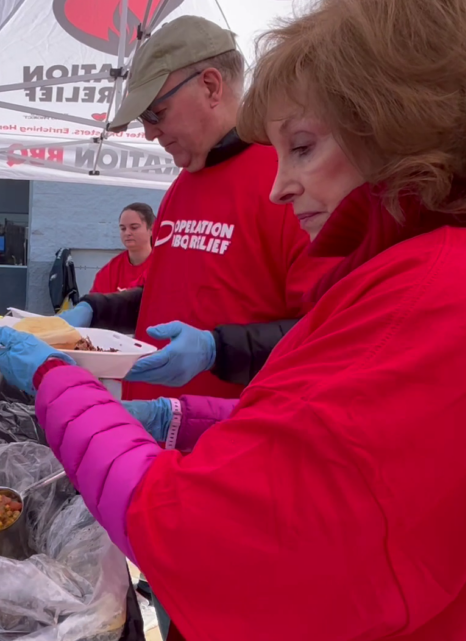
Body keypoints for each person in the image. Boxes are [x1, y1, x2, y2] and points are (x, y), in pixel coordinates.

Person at [0, 0, 466, 641]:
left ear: (401, 125)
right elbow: (356, 438)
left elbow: (193, 530)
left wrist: (55, 383)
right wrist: (180, 417)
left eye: (301, 147)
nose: (279, 188)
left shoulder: (438, 298)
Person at [60, 16, 334, 401]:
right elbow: (166, 297)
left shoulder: (291, 183)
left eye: (156, 113)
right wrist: (98, 309)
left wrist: (217, 350)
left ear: (210, 86)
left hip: (230, 444)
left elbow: (329, 333)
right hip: (152, 437)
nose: (150, 132)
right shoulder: (182, 185)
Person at [90, 203, 154, 294]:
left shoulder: (163, 266)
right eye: (123, 228)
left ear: (151, 229)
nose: (127, 233)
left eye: (134, 227)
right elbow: (95, 302)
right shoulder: (110, 271)